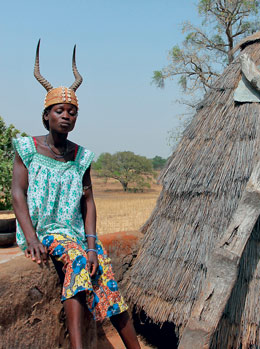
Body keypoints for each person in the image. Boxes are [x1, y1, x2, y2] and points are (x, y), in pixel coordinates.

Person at [11, 40, 141, 349]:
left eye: (72, 112)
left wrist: (93, 245)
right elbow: (18, 192)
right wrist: (31, 238)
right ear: (47, 116)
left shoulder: (81, 156)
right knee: (76, 260)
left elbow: (88, 202)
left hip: (75, 234)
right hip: (44, 232)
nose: (66, 116)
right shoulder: (27, 148)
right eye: (60, 111)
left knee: (105, 274)